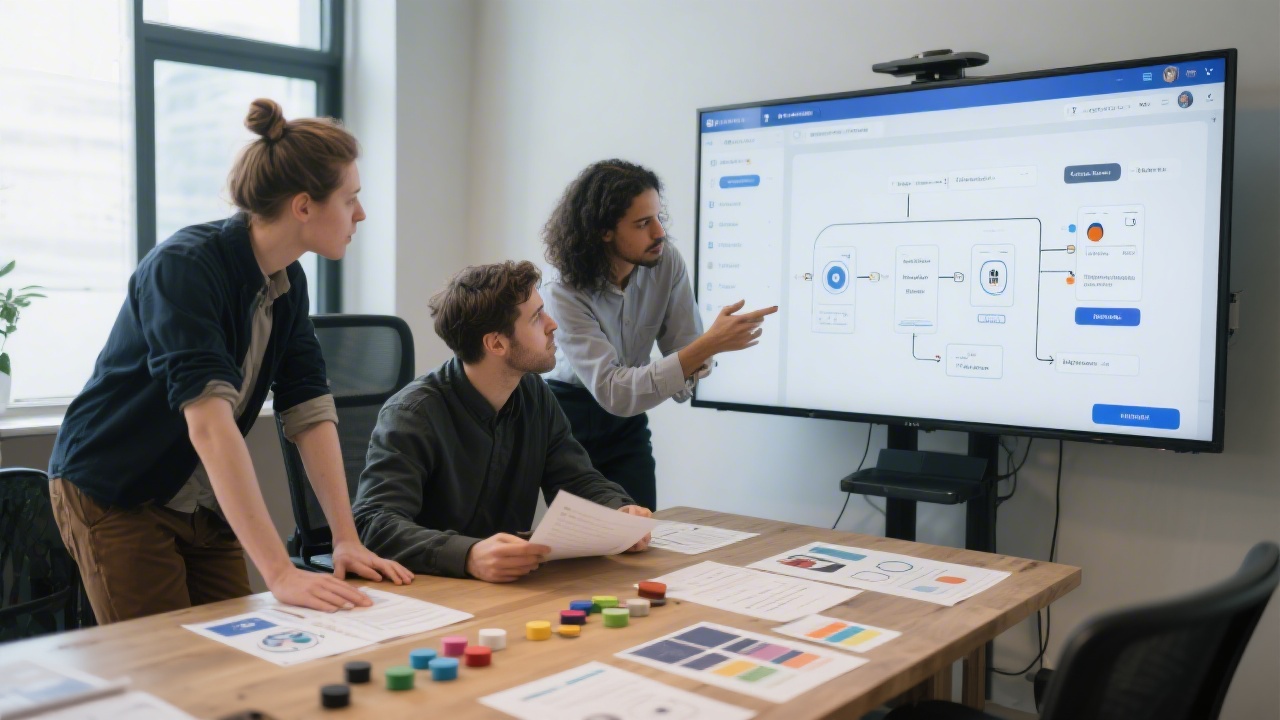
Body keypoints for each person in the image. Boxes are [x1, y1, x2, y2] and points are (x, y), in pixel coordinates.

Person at [48, 99, 412, 624]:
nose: (361, 213)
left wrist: (345, 538)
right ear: (304, 206)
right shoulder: (185, 268)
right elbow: (211, 427)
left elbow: (308, 406)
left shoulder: (290, 281)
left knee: (245, 652)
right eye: (351, 198)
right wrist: (280, 573)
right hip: (117, 490)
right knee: (169, 671)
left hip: (199, 501)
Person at [352, 261, 651, 583]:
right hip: (432, 587)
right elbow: (375, 522)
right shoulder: (413, 413)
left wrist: (618, 511)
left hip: (510, 583)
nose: (552, 325)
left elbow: (577, 479)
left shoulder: (534, 393)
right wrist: (468, 554)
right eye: (537, 317)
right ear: (496, 343)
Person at [541, 159, 777, 510]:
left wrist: (700, 354)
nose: (659, 233)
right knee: (587, 547)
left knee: (640, 534)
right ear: (604, 230)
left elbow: (686, 354)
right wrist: (707, 346)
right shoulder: (562, 287)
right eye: (642, 223)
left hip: (628, 423)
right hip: (569, 417)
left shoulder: (666, 262)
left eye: (658, 218)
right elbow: (613, 390)